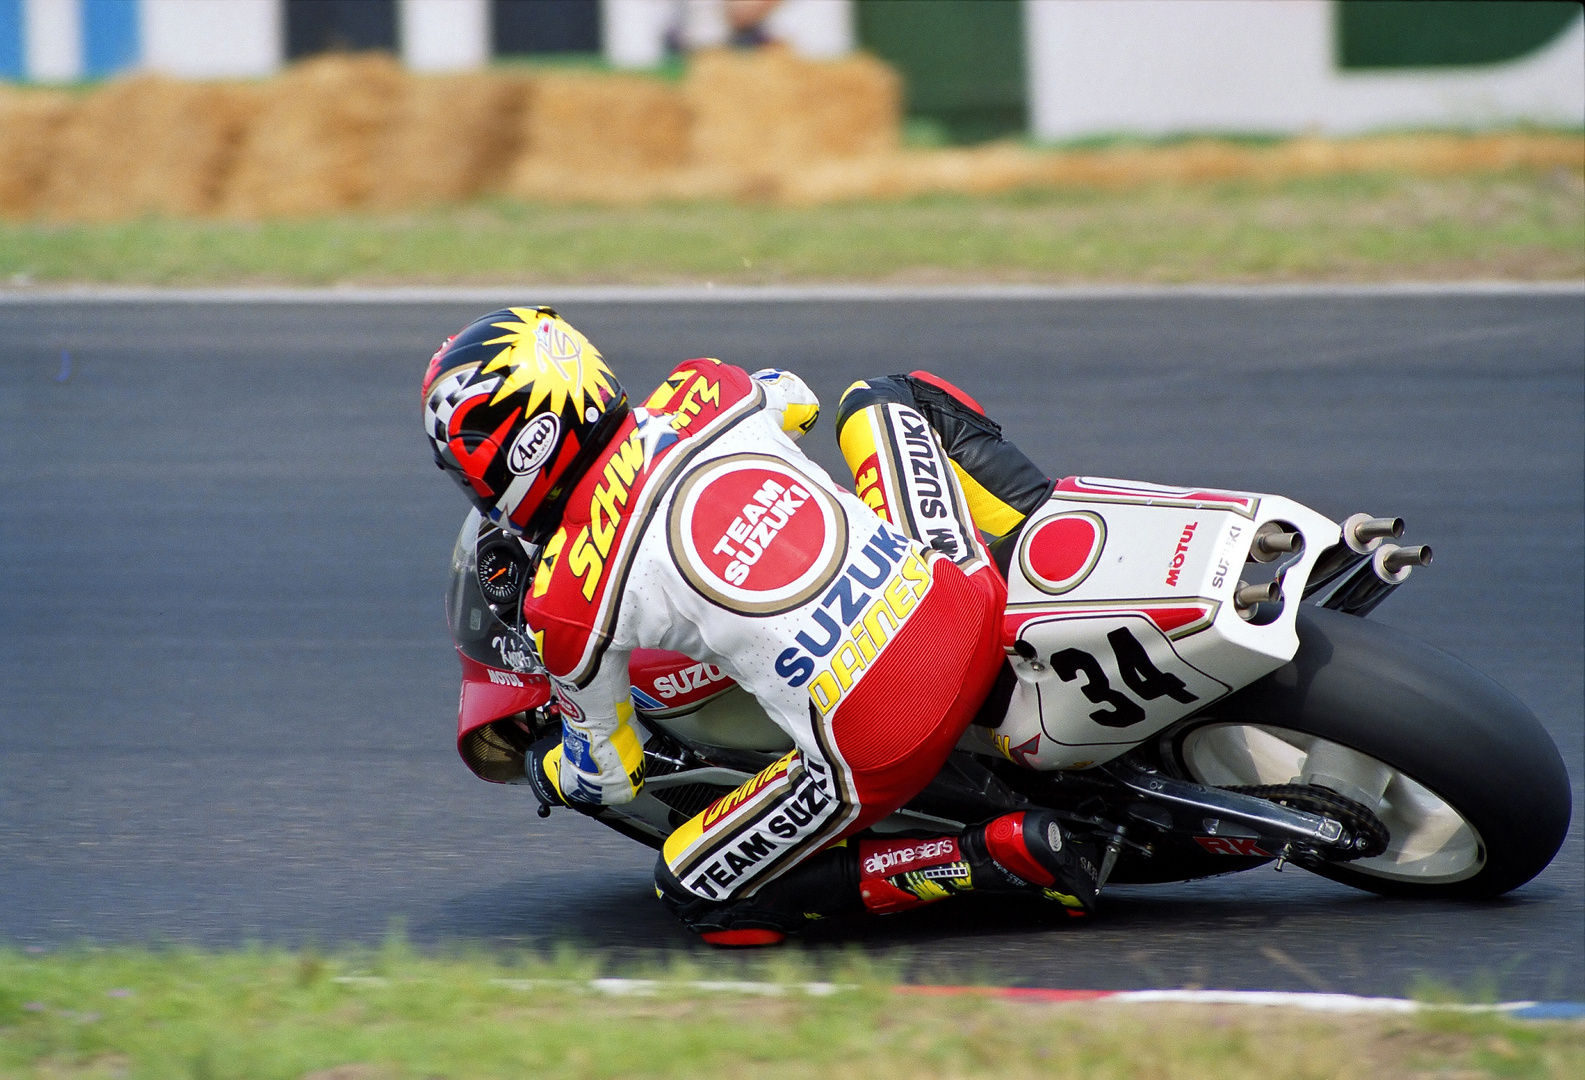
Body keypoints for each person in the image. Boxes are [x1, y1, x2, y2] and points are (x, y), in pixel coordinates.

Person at [421, 307, 1099, 944]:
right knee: (886, 396)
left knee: (697, 888)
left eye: (465, 464)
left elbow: (609, 779)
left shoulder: (564, 600)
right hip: (965, 600)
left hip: (882, 743)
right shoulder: (702, 387)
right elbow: (796, 400)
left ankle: (991, 856)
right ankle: (1044, 529)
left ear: (518, 446)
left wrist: (553, 772)